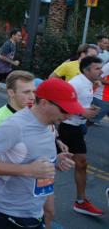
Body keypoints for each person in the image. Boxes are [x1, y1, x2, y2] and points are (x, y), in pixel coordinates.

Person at [0, 78, 83, 228]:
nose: (69, 116)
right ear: (44, 103)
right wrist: (27, 170)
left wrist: (56, 161)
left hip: (34, 213)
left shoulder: (49, 125)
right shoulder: (15, 126)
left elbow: (34, 160)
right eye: (65, 110)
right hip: (4, 217)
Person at [0, 70, 36, 206]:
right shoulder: (2, 119)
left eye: (34, 91)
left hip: (13, 183)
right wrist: (29, 169)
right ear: (11, 93)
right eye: (26, 92)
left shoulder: (28, 113)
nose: (32, 96)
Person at [59, 56, 104, 216]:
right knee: (51, 163)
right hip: (63, 128)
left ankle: (80, 201)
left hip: (76, 128)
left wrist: (88, 110)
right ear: (86, 70)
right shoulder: (75, 84)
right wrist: (82, 111)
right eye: (97, 68)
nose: (101, 71)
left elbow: (77, 104)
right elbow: (58, 104)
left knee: (81, 163)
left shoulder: (89, 84)